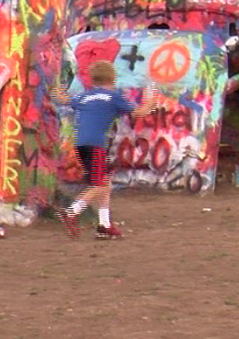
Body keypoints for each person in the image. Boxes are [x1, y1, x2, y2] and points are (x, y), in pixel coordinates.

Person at [55, 61, 161, 239]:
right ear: (112, 78)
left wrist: (59, 87)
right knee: (98, 185)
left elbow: (64, 99)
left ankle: (104, 224)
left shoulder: (84, 96)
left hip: (81, 144)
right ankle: (71, 212)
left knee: (104, 182)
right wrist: (151, 102)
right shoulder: (113, 97)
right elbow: (138, 113)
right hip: (97, 144)